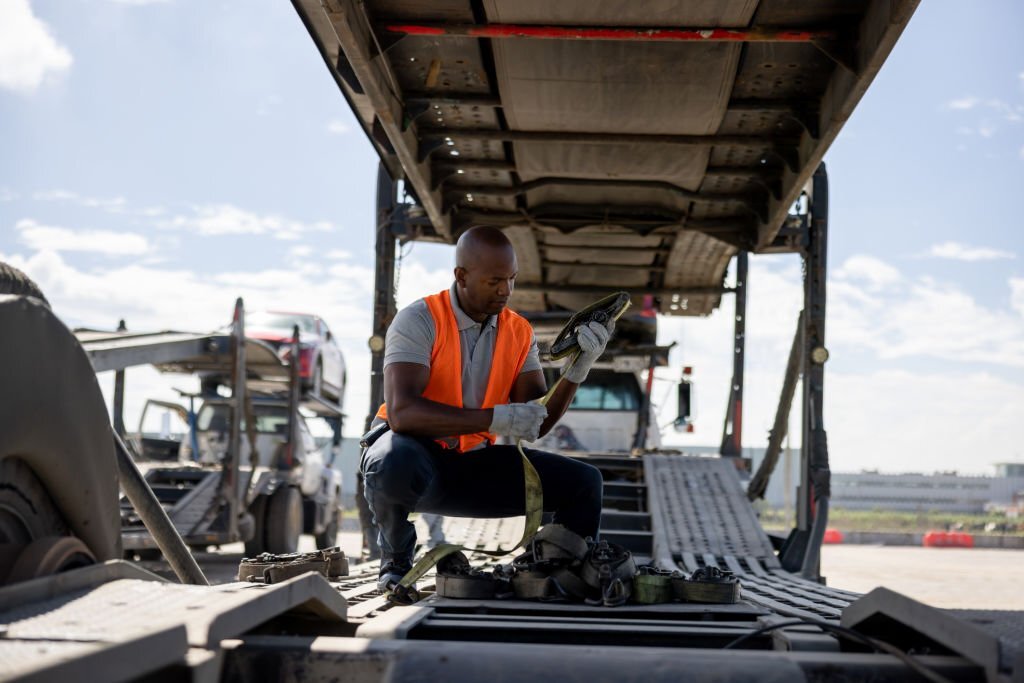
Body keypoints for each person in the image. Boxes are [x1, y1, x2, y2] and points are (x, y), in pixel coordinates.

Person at [360, 226, 612, 591]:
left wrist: (577, 369)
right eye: (495, 281)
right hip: (416, 464)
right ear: (461, 276)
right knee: (392, 459)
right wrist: (495, 417)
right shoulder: (419, 319)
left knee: (584, 482)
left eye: (511, 280)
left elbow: (535, 420)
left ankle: (563, 570)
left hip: (470, 468)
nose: (505, 291)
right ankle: (397, 561)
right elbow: (403, 414)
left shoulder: (518, 331)